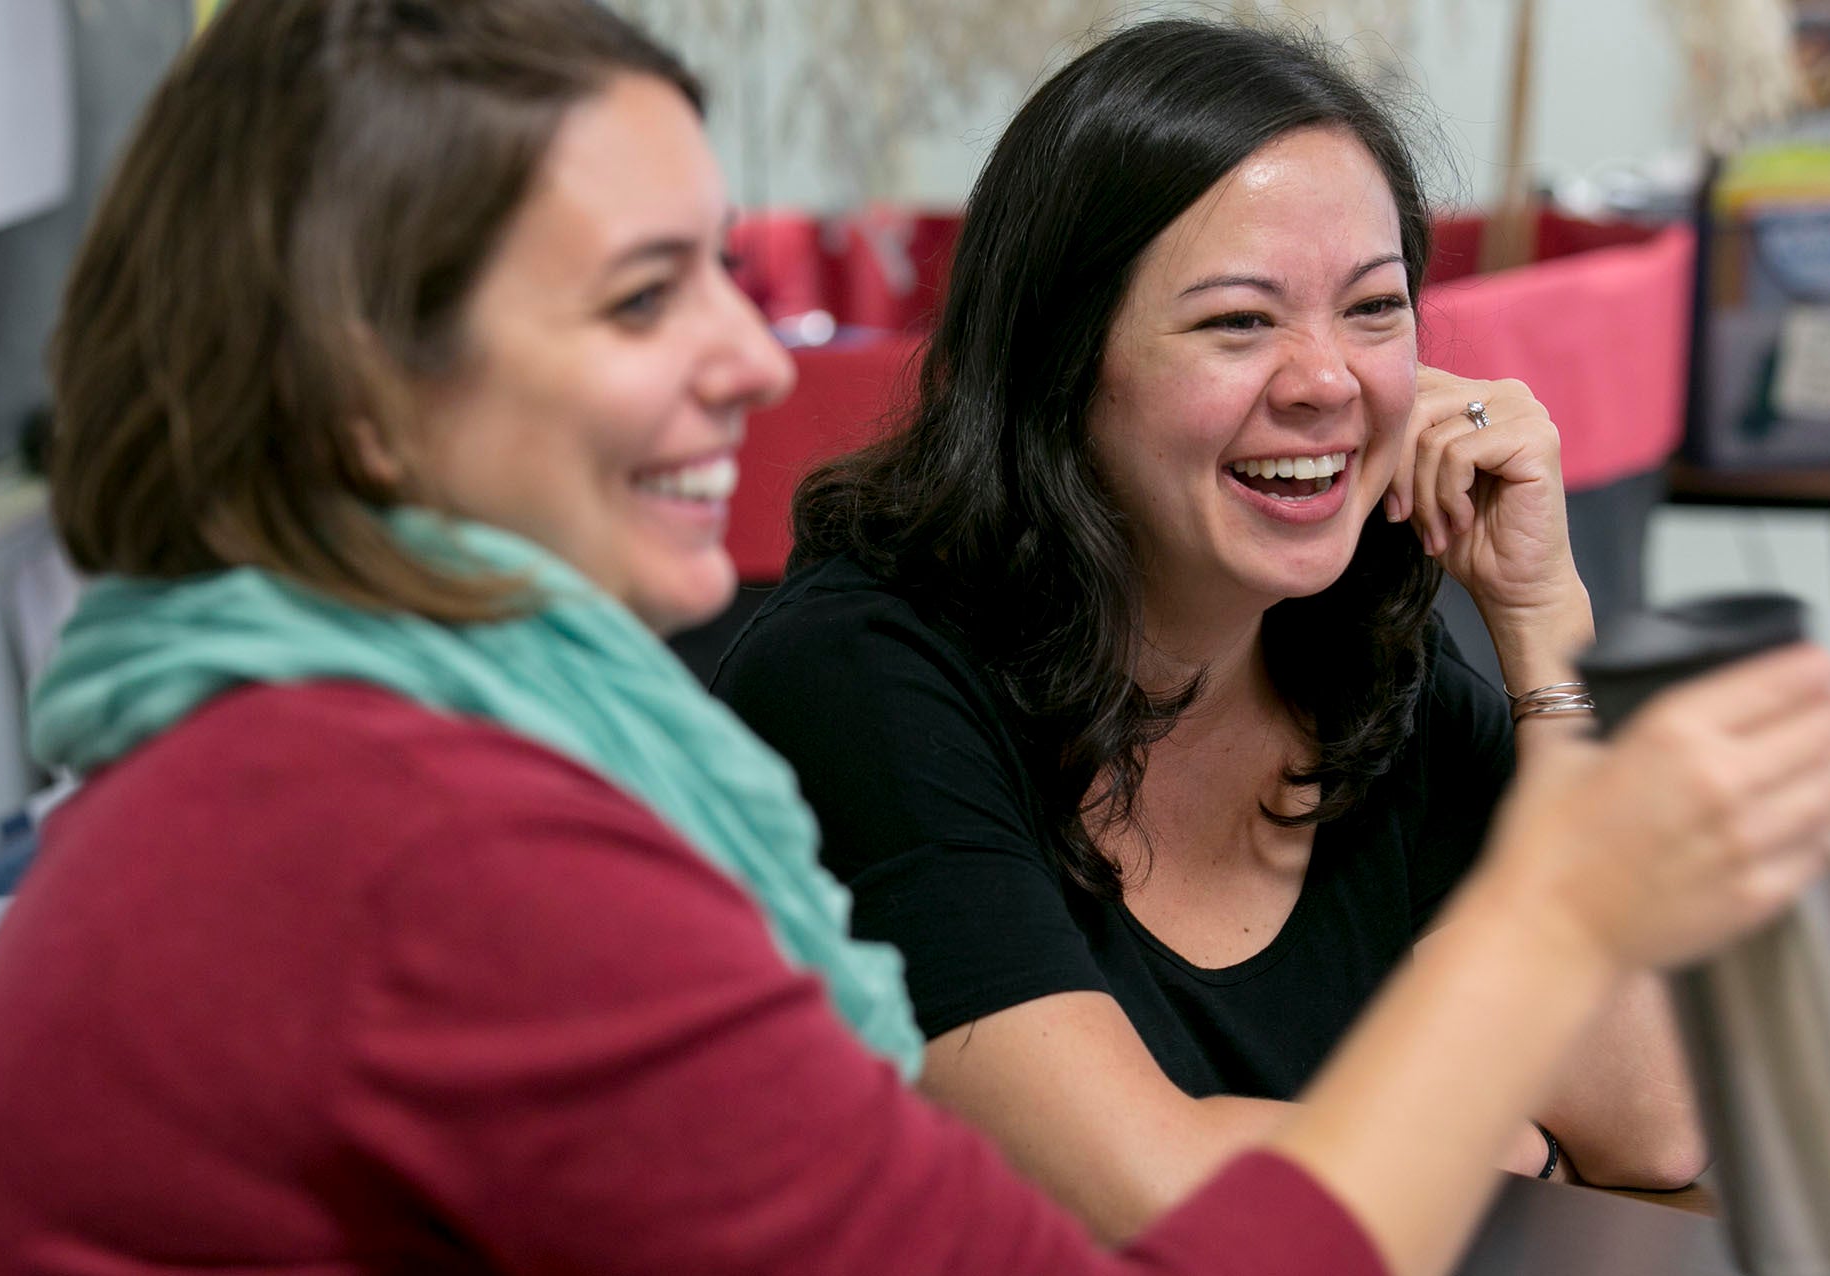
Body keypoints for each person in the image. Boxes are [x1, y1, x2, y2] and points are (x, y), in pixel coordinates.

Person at [0, 3, 1830, 1274]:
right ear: (365, 388)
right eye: (646, 298)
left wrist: (1539, 649)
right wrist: (1532, 949)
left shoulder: (376, 743)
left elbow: (1636, 1128)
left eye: (722, 276)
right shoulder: (421, 832)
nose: (750, 359)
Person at [713, 18, 1714, 1241]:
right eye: (1238, 322)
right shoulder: (863, 678)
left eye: (1372, 309)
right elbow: (1142, 1186)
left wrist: (1542, 620)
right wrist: (1487, 1152)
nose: (1325, 381)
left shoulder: (1361, 664)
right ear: (1061, 365)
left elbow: (1649, 1113)